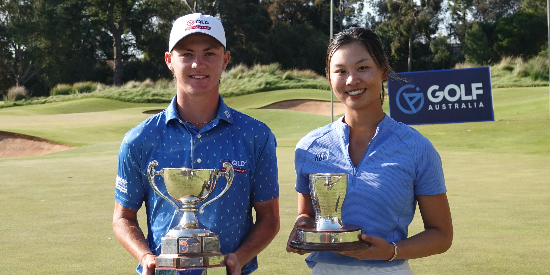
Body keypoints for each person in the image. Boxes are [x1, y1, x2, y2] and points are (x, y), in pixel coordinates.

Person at [112, 13, 280, 275]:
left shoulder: (256, 135)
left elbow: (269, 218)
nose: (198, 64)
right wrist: (145, 257)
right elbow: (123, 218)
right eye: (187, 54)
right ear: (169, 60)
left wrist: (240, 258)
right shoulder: (139, 139)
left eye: (210, 53)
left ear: (225, 60)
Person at [286, 27, 453, 274]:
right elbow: (308, 216)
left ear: (383, 70)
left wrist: (392, 251)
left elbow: (441, 235)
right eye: (341, 71)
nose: (352, 80)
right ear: (329, 78)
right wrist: (302, 231)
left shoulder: (417, 148)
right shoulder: (309, 147)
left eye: (363, 68)